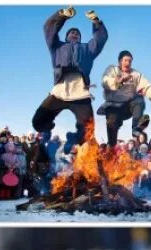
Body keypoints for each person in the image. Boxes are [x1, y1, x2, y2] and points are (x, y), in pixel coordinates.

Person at [32, 7, 108, 153]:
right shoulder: (57, 47)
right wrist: (62, 16)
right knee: (38, 121)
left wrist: (96, 21)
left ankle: (74, 142)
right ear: (66, 37)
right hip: (60, 92)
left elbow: (101, 39)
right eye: (71, 33)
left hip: (80, 95)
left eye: (77, 34)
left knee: (87, 131)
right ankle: (47, 132)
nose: (74, 34)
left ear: (80, 38)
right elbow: (48, 29)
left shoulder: (87, 49)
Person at [99, 50, 151, 148]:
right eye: (125, 60)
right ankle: (111, 145)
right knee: (112, 123)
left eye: (130, 61)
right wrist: (117, 81)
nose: (128, 63)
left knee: (139, 98)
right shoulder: (112, 69)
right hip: (114, 106)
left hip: (128, 107)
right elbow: (105, 81)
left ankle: (136, 129)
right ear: (120, 61)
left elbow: (146, 86)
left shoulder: (135, 74)